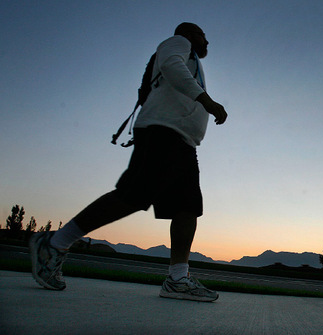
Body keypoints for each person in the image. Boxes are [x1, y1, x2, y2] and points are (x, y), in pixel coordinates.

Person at [29, 22, 227, 302]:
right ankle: (54, 242)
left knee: (187, 208)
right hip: (164, 133)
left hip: (183, 141)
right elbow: (172, 66)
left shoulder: (191, 57)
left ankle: (177, 279)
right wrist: (206, 100)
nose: (207, 42)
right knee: (135, 195)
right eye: (204, 36)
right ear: (191, 34)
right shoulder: (178, 43)